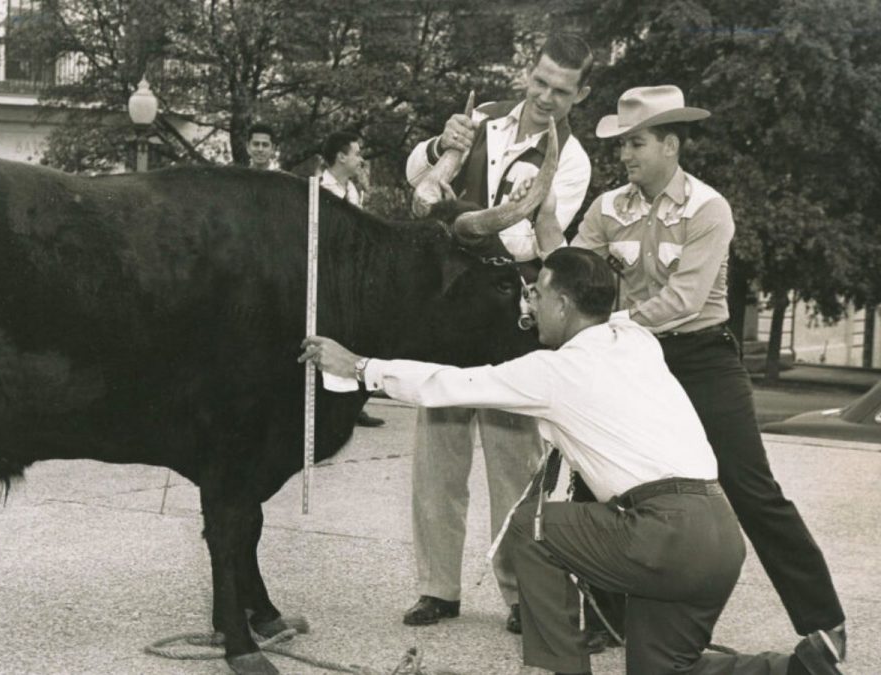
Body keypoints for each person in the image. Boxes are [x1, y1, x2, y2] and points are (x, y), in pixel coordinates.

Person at [299, 247, 845, 675]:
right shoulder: (634, 339)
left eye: (536, 294)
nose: (527, 306)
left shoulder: (554, 372)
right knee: (664, 671)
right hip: (720, 538)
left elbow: (451, 384)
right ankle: (797, 668)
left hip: (665, 536)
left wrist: (360, 365)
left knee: (530, 533)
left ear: (561, 304)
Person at [571, 85, 847, 669]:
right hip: (629, 358)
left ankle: (824, 623)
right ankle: (600, 617)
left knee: (751, 488)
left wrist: (608, 323)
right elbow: (576, 276)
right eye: (620, 144)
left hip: (699, 356)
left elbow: (684, 299)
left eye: (636, 143)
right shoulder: (605, 208)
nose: (624, 155)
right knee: (603, 482)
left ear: (670, 145)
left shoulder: (708, 208)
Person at [399, 33, 594, 637]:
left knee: (514, 467)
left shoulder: (574, 160)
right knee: (438, 458)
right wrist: (440, 143)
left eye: (560, 91)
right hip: (450, 311)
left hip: (513, 316)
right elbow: (416, 173)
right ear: (528, 73)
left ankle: (517, 593)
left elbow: (522, 239)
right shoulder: (480, 118)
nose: (544, 96)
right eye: (539, 81)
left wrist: (449, 212)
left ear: (579, 95)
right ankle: (439, 589)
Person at [319, 129, 386, 428]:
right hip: (328, 276)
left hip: (352, 276)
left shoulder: (353, 191)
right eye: (356, 153)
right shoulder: (320, 188)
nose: (360, 159)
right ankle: (327, 404)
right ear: (341, 156)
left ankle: (353, 404)